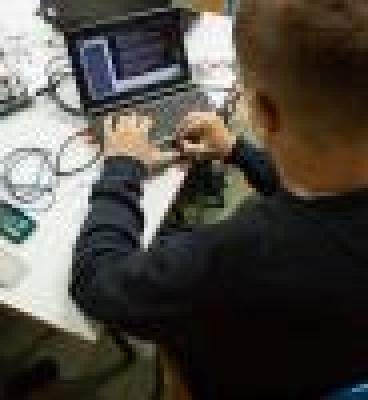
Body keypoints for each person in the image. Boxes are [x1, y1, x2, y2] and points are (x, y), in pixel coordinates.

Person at [69, 1, 368, 398]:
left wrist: (122, 167)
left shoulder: (233, 258)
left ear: (263, 113)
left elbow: (96, 282)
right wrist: (237, 151)